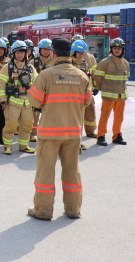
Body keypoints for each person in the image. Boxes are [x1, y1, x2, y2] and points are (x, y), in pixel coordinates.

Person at [27, 36, 91, 220]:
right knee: (72, 172)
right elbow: (87, 101)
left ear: (53, 53)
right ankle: (73, 209)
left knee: (46, 173)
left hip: (49, 134)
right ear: (70, 54)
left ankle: (43, 210)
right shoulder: (82, 75)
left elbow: (35, 101)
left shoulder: (46, 75)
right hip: (73, 133)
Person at [0, 40, 37, 155]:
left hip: (27, 103)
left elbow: (37, 82)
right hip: (12, 103)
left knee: (27, 124)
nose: (20, 55)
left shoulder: (30, 67)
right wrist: (3, 100)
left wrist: (31, 87)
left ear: (26, 53)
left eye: (22, 52)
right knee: (11, 125)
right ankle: (8, 146)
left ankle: (24, 146)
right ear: (13, 53)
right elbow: (1, 85)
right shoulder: (7, 67)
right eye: (18, 52)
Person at [93, 38, 129, 146]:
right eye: (115, 48)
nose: (117, 50)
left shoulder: (125, 63)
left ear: (122, 50)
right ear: (111, 49)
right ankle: (101, 136)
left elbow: (125, 79)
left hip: (121, 95)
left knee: (119, 117)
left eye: (119, 48)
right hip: (108, 95)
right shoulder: (105, 62)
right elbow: (97, 77)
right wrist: (100, 88)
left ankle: (117, 135)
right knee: (105, 116)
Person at [71, 34, 98, 138]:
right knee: (76, 115)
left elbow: (94, 73)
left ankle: (90, 131)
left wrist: (96, 87)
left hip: (88, 90)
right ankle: (75, 136)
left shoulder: (89, 59)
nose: (81, 54)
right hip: (74, 92)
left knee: (90, 111)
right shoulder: (69, 59)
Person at [30, 38, 53, 142]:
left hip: (51, 91)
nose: (45, 51)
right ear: (39, 50)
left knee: (49, 113)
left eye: (48, 49)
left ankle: (48, 133)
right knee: (34, 114)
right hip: (37, 91)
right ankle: (32, 133)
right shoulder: (33, 62)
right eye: (43, 49)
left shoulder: (54, 62)